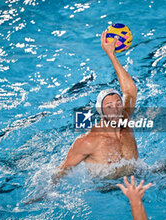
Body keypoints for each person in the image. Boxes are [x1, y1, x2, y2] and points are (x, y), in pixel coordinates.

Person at [54, 29, 138, 180]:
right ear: (101, 112)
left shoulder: (125, 120)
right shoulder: (87, 142)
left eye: (118, 104)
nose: (116, 110)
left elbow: (130, 90)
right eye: (109, 107)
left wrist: (112, 55)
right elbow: (60, 171)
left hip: (137, 177)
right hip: (108, 190)